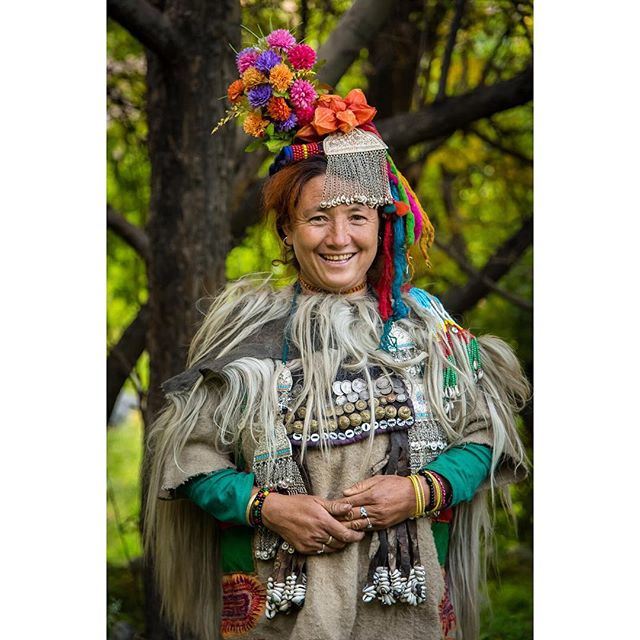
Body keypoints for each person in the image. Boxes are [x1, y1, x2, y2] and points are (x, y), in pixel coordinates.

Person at [144, 28, 529, 640]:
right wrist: (269, 508)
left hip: (407, 608)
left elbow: (485, 437)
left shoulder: (431, 331)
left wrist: (421, 492)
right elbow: (189, 460)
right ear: (286, 232)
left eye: (357, 216)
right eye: (318, 217)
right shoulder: (248, 336)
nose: (340, 237)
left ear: (382, 226)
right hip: (284, 610)